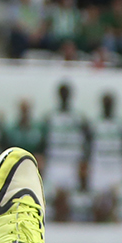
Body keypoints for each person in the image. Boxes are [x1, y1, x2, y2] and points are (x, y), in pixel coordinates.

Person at [42, 82, 89, 210]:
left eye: (66, 94)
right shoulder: (50, 117)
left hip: (72, 163)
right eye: (62, 94)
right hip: (55, 162)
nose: (64, 97)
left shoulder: (79, 118)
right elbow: (44, 142)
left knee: (71, 200)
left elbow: (86, 142)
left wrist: (82, 163)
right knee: (52, 197)